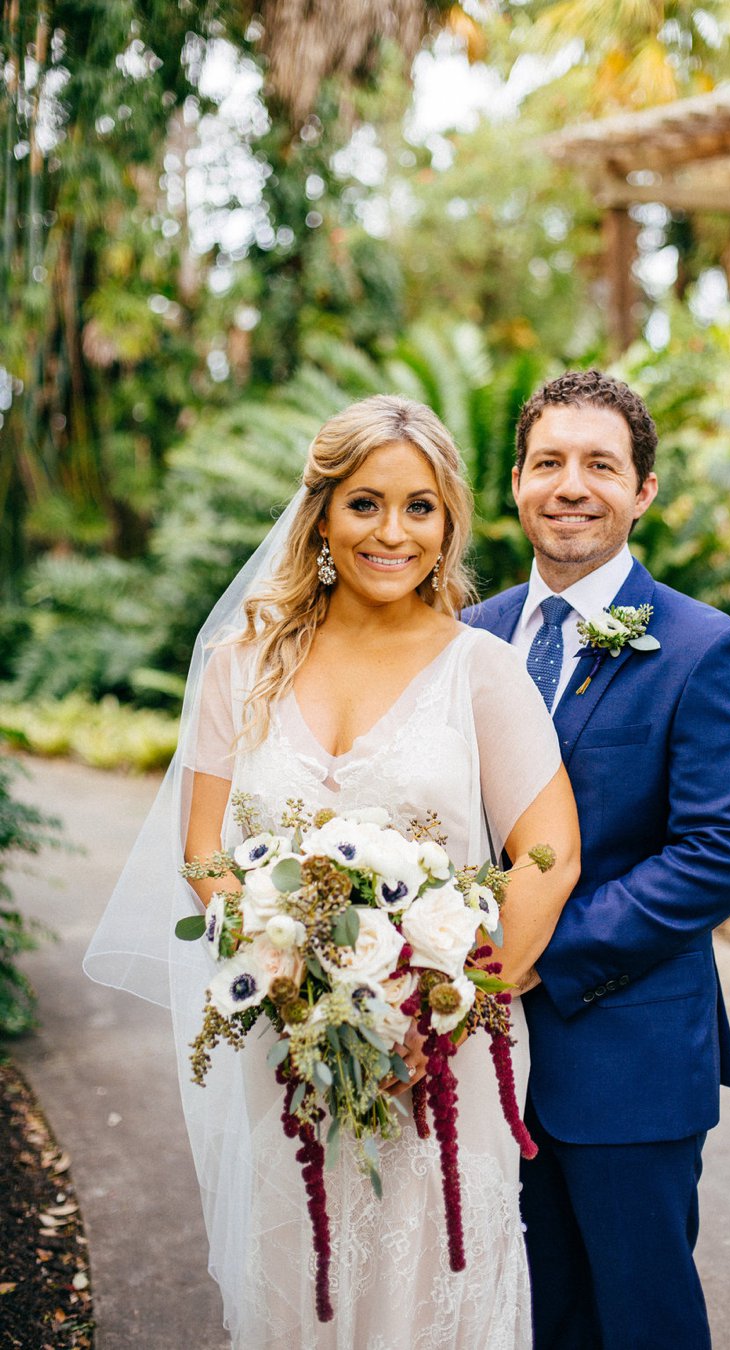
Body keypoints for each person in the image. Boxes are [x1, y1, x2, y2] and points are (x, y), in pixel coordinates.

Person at [85, 394, 580, 1350]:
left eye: (420, 507)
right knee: (296, 1282)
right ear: (319, 514)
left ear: (448, 525)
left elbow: (548, 857)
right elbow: (204, 852)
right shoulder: (240, 666)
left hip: (443, 1057)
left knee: (432, 1282)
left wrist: (445, 1003)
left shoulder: (480, 671)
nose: (392, 532)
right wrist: (297, 982)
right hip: (291, 1044)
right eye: (364, 504)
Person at [466, 369, 730, 1349]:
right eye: (549, 461)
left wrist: (532, 949)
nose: (572, 485)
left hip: (626, 1057)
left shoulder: (705, 648)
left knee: (641, 1321)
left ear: (643, 490)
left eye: (601, 464)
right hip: (470, 1059)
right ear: (515, 480)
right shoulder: (461, 643)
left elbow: (721, 852)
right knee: (529, 1318)